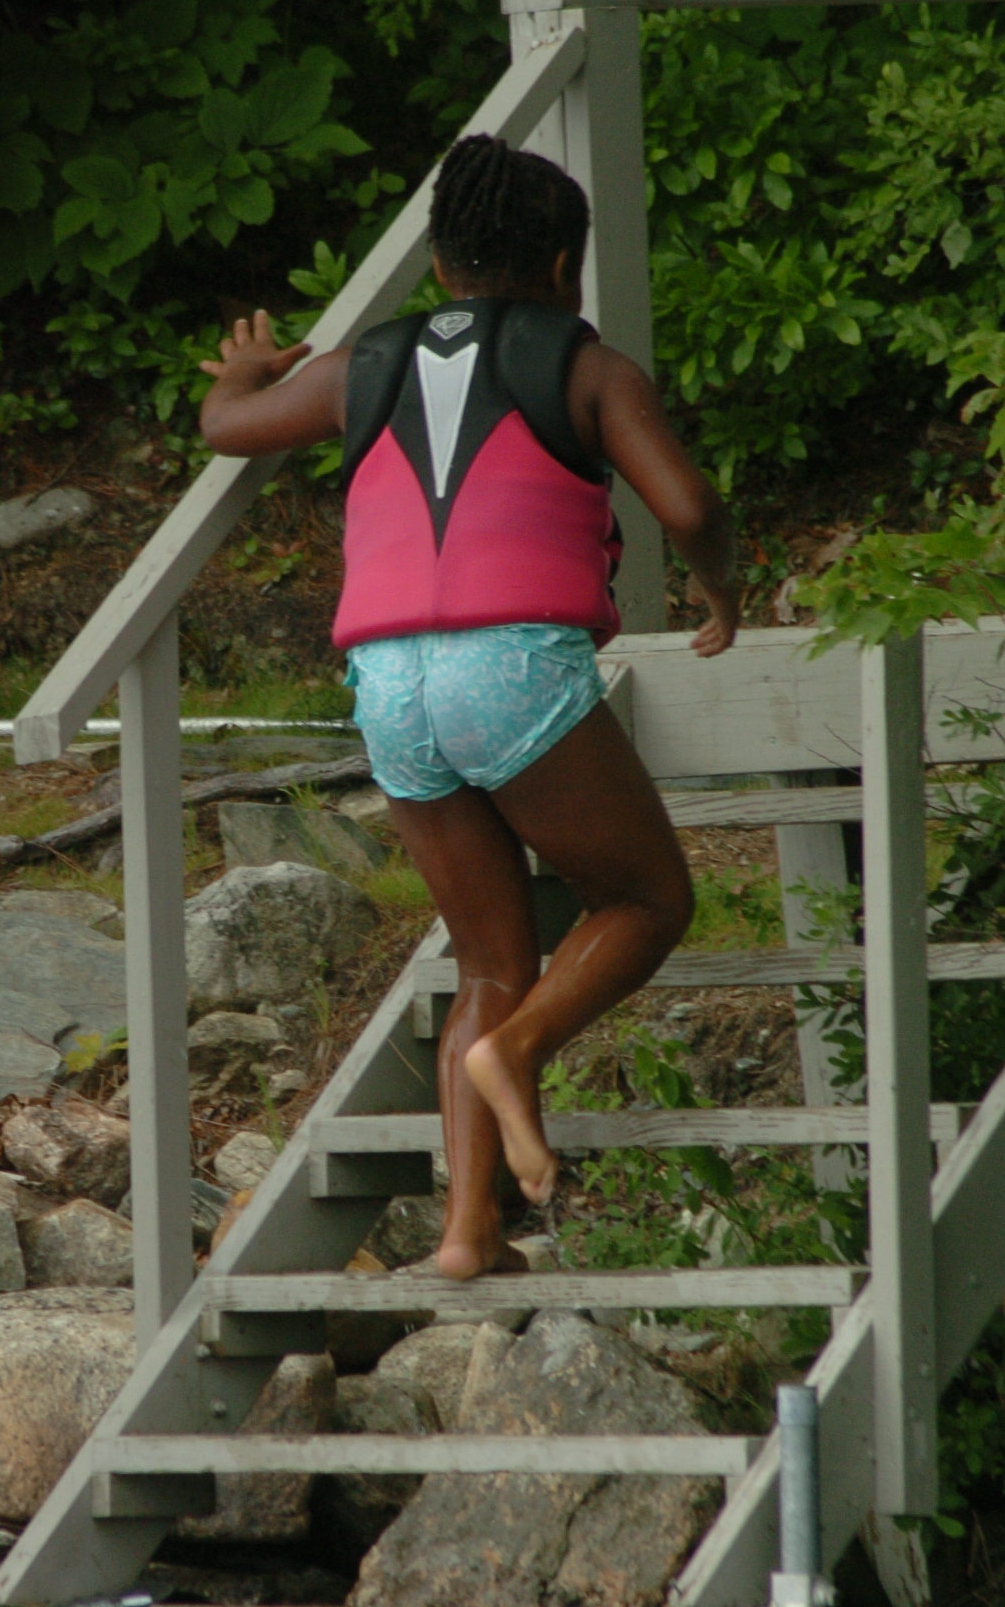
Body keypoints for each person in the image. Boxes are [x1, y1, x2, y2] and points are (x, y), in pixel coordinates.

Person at [198, 134, 742, 1280]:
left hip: (387, 684)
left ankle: (466, 1233)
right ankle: (521, 1052)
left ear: (440, 265)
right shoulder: (589, 368)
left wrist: (241, 375)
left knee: (488, 961)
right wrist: (719, 587)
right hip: (509, 668)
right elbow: (687, 506)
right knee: (643, 899)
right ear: (563, 268)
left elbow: (227, 429)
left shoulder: (361, 365)